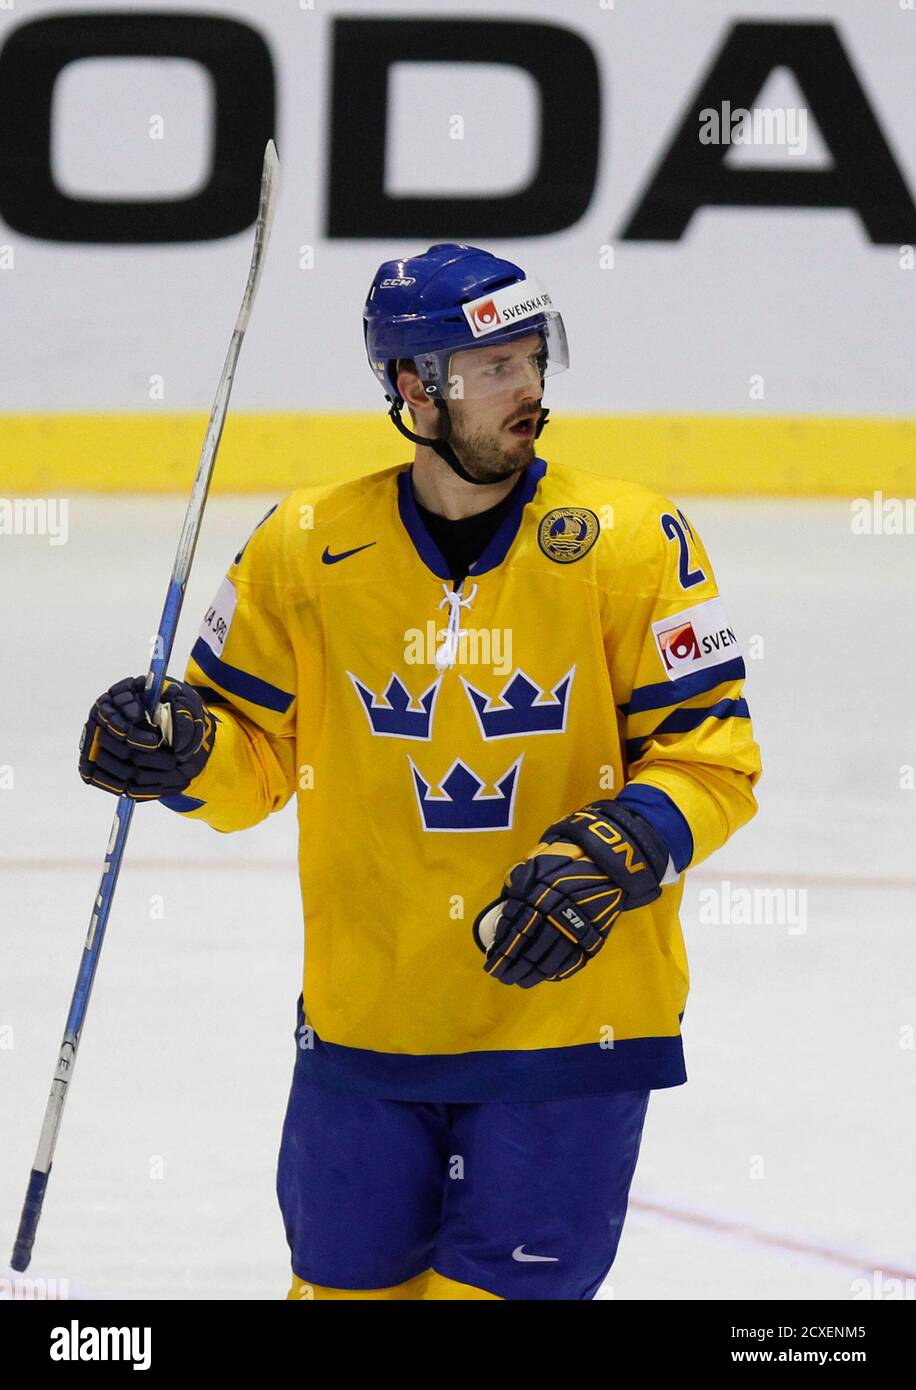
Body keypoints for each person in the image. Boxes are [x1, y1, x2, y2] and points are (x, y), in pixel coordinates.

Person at [79, 243, 762, 1300]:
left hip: (568, 1029)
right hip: (365, 1033)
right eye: (493, 367)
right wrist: (176, 751)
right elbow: (251, 765)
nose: (527, 387)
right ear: (413, 389)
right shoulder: (305, 545)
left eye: (533, 358)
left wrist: (620, 846)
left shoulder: (633, 539)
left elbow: (714, 757)